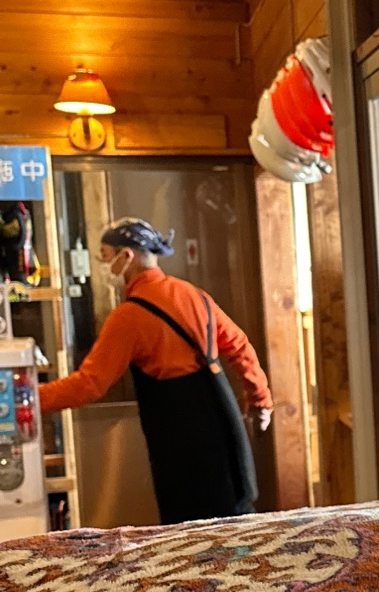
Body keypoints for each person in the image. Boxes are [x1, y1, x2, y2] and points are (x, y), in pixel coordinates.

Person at [39, 218, 272, 523]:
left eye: (105, 256)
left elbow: (89, 384)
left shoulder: (128, 317)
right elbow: (239, 346)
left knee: (189, 528)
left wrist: (30, 399)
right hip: (223, 422)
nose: (103, 265)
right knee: (237, 517)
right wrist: (260, 399)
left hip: (180, 438)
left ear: (126, 256)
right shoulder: (194, 295)